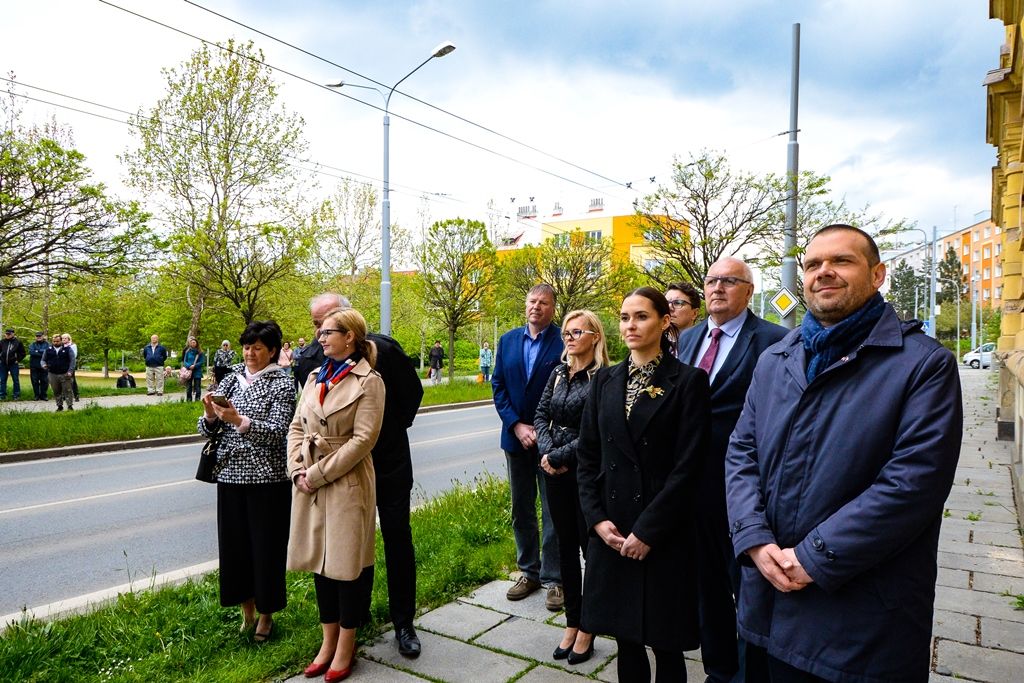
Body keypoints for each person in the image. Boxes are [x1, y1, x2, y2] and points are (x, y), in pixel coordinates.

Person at [726, 224, 963, 682]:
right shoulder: (778, 357)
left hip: (860, 622)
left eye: (841, 261)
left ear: (877, 275)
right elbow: (741, 450)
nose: (824, 273)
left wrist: (813, 557)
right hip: (767, 604)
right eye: (813, 264)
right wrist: (753, 537)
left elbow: (912, 485)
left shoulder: (923, 364)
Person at [576, 287, 710, 682]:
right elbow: (588, 456)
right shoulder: (605, 381)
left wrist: (648, 531)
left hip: (662, 531)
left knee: (666, 642)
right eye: (624, 317)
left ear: (665, 321)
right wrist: (597, 521)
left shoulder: (688, 381)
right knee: (626, 640)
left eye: (641, 316)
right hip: (613, 529)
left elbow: (689, 467)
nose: (630, 325)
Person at [294, 293, 425, 658]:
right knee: (348, 542)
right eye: (315, 325)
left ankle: (404, 622)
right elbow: (305, 414)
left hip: (388, 462)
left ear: (348, 324)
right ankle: (355, 616)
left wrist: (382, 432)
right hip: (339, 471)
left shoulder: (383, 351)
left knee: (397, 538)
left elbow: (411, 396)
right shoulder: (310, 359)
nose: (320, 332)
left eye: (327, 323)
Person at [675, 258, 786, 683]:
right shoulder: (688, 340)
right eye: (711, 281)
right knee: (706, 588)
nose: (718, 288)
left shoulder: (774, 342)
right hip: (694, 487)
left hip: (744, 487)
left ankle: (749, 672)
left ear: (748, 291)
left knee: (750, 586)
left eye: (729, 281)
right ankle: (719, 671)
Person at [288, 306, 384, 682]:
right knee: (319, 563)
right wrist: (296, 469)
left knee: (347, 566)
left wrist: (316, 474)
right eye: (321, 331)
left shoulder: (369, 381)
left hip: (346, 482)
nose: (321, 337)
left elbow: (363, 440)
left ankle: (346, 645)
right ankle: (327, 642)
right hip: (308, 482)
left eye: (329, 332)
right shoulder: (314, 376)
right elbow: (297, 426)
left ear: (351, 338)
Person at [199, 320, 296, 645]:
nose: (250, 353)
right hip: (230, 477)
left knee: (266, 550)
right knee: (236, 549)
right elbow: (208, 429)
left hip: (267, 481)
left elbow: (278, 431)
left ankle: (267, 616)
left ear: (271, 350)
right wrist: (211, 416)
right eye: (246, 347)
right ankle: (247, 613)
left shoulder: (282, 383)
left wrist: (239, 421)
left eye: (257, 348)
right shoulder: (231, 378)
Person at [533, 310, 609, 665]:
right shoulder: (559, 373)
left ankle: (589, 628)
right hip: (556, 473)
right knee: (564, 548)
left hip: (585, 474)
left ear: (594, 336)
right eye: (566, 332)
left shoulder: (603, 378)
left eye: (576, 331)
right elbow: (540, 414)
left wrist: (560, 454)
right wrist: (548, 453)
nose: (569, 337)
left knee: (589, 550)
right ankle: (571, 622)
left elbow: (595, 433)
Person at [491, 283, 564, 609]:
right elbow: (499, 386)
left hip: (552, 442)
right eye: (532, 301)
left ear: (552, 308)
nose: (537, 306)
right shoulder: (507, 341)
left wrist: (543, 430)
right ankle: (529, 572)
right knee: (521, 507)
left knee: (553, 511)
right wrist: (516, 424)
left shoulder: (564, 340)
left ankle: (555, 579)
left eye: (544, 303)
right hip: (515, 439)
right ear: (526, 305)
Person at [664, 281, 701, 355]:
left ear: (694, 313)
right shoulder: (652, 344)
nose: (669, 308)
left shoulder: (702, 346)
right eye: (666, 303)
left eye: (678, 303)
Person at [42, 333, 75, 412]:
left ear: (61, 341)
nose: (55, 343)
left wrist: (70, 371)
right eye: (54, 341)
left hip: (65, 373)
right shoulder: (48, 350)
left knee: (68, 390)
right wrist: (43, 365)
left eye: (57, 341)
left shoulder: (68, 349)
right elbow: (43, 360)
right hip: (52, 373)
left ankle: (69, 406)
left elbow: (72, 361)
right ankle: (59, 406)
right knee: (56, 391)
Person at [0, 328, 26, 400]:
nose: (7, 335)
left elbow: (23, 353)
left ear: (13, 334)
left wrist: (18, 360)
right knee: (2, 380)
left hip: (13, 364)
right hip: (3, 364)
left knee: (15, 380)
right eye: (6, 334)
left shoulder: (18, 342)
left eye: (9, 334)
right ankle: (2, 395)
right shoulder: (2, 342)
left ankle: (16, 395)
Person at [181, 337, 206, 402]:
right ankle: (189, 400)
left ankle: (197, 400)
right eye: (191, 342)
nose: (193, 343)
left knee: (197, 386)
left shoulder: (200, 352)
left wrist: (194, 366)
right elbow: (185, 361)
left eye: (194, 342)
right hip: (189, 371)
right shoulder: (187, 351)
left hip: (197, 371)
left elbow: (201, 361)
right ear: (189, 343)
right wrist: (189, 366)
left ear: (196, 343)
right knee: (189, 387)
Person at [28, 332, 50, 401]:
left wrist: (37, 351)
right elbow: (32, 352)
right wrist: (42, 352)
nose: (38, 337)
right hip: (34, 366)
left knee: (45, 381)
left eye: (40, 336)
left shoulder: (48, 344)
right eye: (37, 336)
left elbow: (48, 352)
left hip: (44, 365)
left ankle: (44, 395)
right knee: (34, 381)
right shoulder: (32, 344)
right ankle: (36, 395)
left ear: (43, 336)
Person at [61, 333, 80, 401]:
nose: (63, 339)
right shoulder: (61, 346)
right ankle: (64, 395)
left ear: (69, 339)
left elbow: (74, 355)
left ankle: (76, 395)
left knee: (72, 380)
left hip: (70, 365)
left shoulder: (73, 345)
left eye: (65, 338)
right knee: (63, 380)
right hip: (62, 365)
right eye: (62, 338)